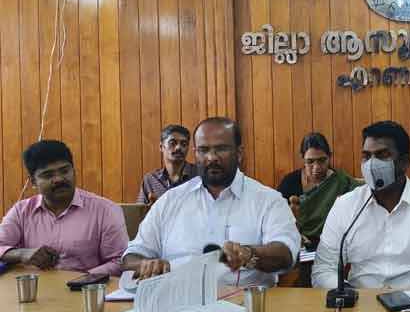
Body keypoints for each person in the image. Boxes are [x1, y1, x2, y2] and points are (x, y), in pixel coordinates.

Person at [122, 117, 300, 288]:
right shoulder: (170, 201)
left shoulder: (268, 200)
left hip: (244, 302)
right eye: (203, 150)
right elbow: (131, 256)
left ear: (239, 154)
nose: (211, 157)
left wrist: (249, 254)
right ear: (195, 153)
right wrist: (146, 264)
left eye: (221, 149)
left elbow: (286, 253)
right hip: (177, 301)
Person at [312, 121, 410, 289]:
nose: (371, 164)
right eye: (366, 156)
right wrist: (350, 294)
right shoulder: (345, 206)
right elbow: (323, 270)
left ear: (404, 162)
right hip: (360, 301)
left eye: (382, 155)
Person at [0, 140, 127, 275]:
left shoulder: (105, 210)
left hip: (87, 286)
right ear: (33, 182)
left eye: (64, 171)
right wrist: (21, 254)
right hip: (34, 285)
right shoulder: (21, 211)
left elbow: (120, 261)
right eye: (48, 175)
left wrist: (80, 280)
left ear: (74, 171)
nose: (58, 179)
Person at [276, 132, 361, 247]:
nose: (316, 167)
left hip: (333, 245)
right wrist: (295, 235)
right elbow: (277, 217)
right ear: (302, 159)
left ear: (330, 157)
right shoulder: (290, 182)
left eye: (322, 160)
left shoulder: (342, 182)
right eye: (310, 161)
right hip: (298, 244)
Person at [137, 124, 198, 204]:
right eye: (173, 143)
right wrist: (153, 208)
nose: (178, 147)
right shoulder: (150, 180)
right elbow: (140, 210)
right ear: (161, 147)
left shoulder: (199, 175)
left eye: (183, 144)